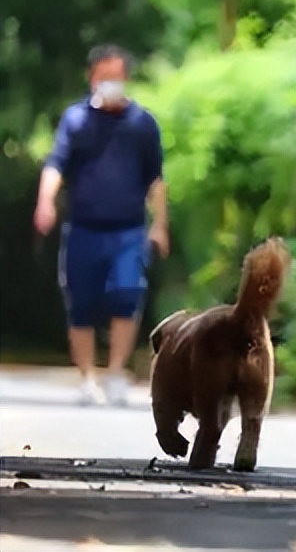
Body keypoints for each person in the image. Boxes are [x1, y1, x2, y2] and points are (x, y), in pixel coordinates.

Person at [33, 45, 169, 406]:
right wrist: (45, 201)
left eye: (117, 76)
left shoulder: (142, 124)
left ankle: (115, 372)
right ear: (92, 77)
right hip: (83, 228)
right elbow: (56, 165)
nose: (111, 83)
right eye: (104, 76)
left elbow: (155, 179)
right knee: (81, 302)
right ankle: (87, 378)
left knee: (127, 295)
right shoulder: (75, 120)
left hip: (128, 230)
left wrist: (160, 225)